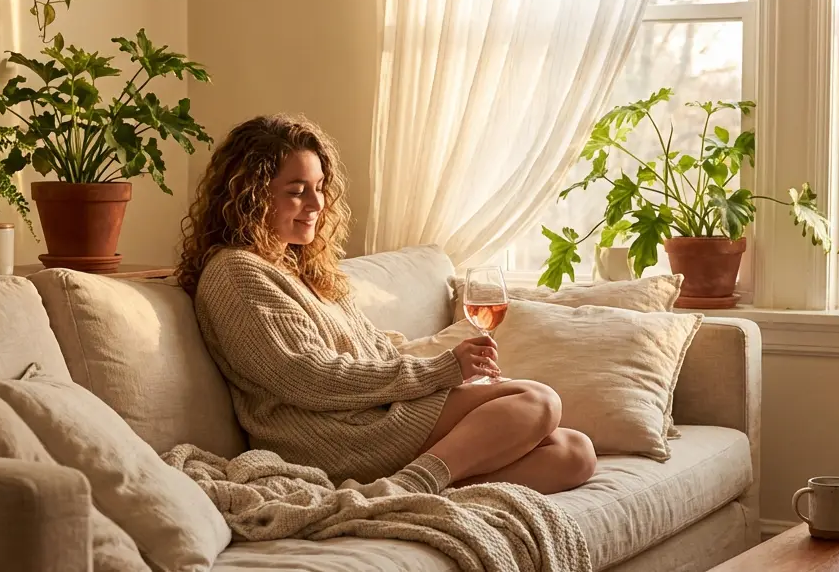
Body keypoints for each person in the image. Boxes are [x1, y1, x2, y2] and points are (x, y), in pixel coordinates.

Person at [176, 114, 596, 495]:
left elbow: (373, 350)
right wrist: (442, 369)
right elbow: (307, 377)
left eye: (319, 188)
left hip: (371, 412)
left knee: (574, 453)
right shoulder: (236, 271)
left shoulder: (300, 267)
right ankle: (411, 484)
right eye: (296, 191)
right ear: (251, 196)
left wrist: (449, 372)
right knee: (538, 401)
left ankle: (411, 489)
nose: (317, 205)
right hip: (332, 435)